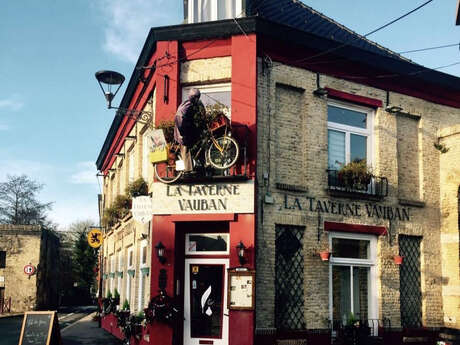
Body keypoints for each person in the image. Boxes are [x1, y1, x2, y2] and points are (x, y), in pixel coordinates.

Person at [174, 88, 205, 173]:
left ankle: (196, 164)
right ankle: (188, 170)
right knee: (185, 147)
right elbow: (179, 116)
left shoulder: (192, 104)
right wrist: (183, 130)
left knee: (195, 140)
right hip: (181, 130)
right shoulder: (188, 104)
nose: (197, 99)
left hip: (186, 128)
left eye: (198, 97)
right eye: (196, 97)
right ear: (192, 97)